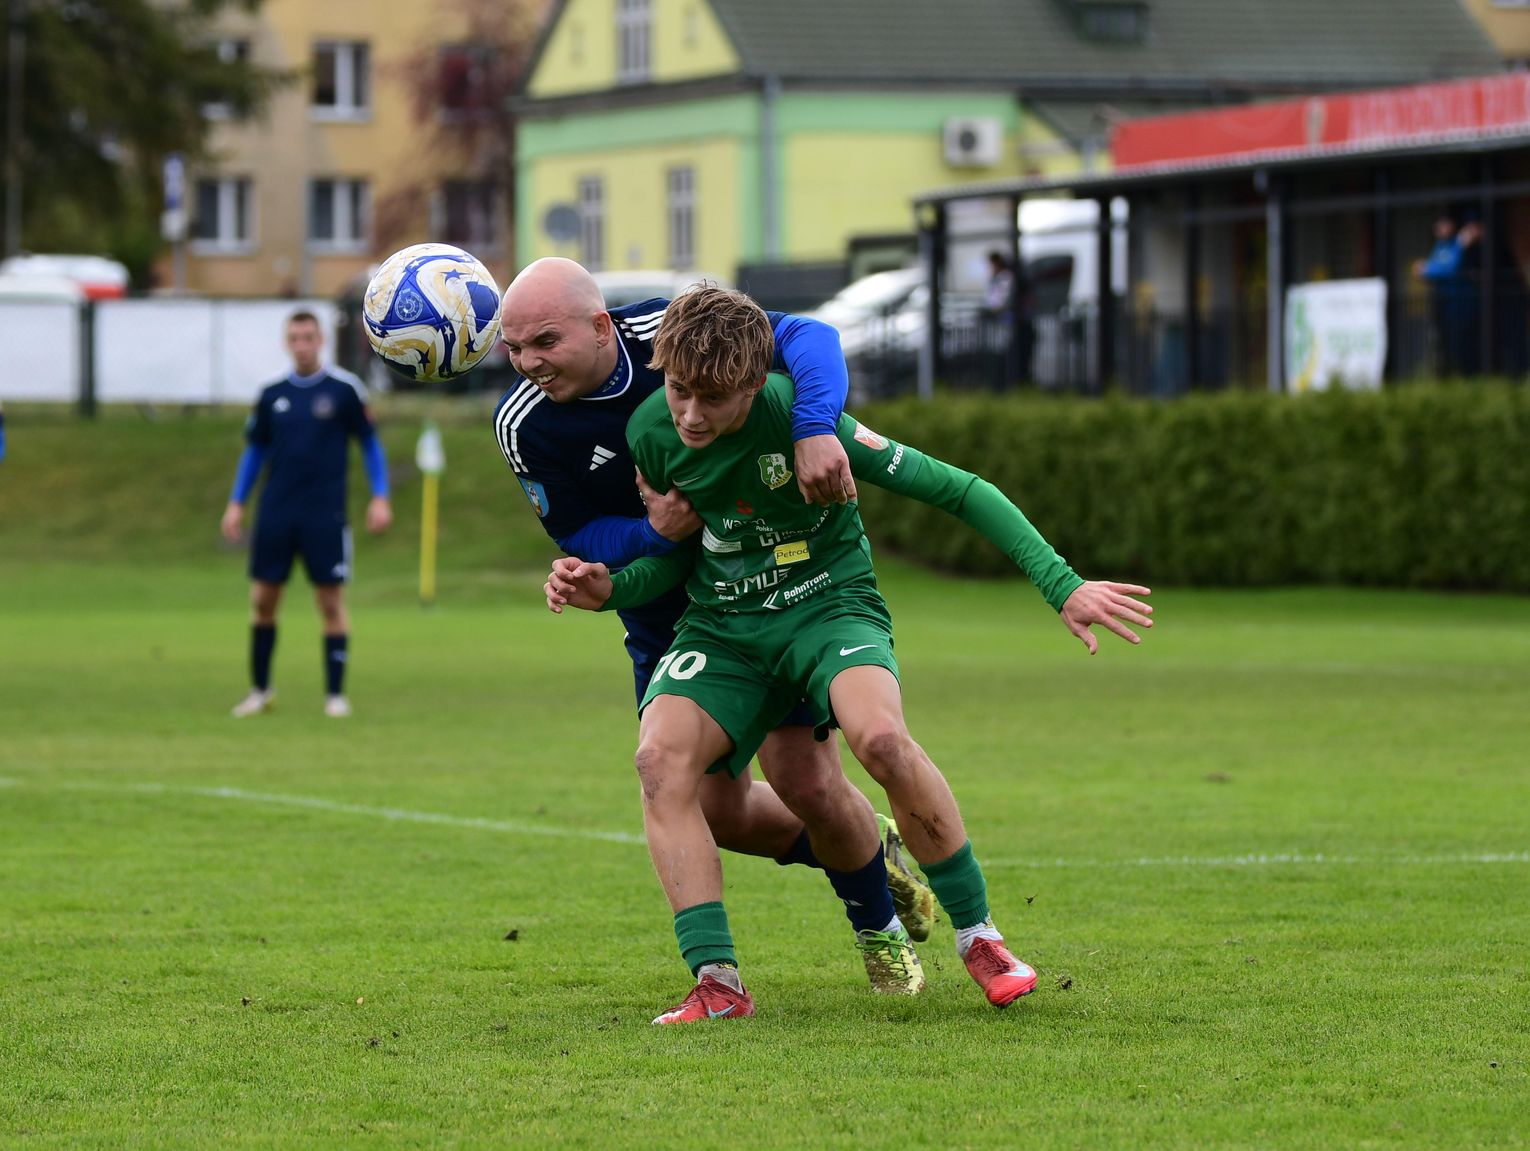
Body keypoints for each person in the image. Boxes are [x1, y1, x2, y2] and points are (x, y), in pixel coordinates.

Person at [545, 285, 1153, 1024]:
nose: (692, 415)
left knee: (882, 742)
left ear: (755, 382)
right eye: (679, 391)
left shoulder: (805, 418)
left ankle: (981, 939)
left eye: (714, 399)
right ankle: (718, 983)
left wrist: (1062, 585)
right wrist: (610, 588)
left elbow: (961, 490)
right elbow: (678, 555)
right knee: (657, 762)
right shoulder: (651, 431)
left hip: (828, 605)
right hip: (725, 627)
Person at [495, 259, 936, 997]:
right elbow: (576, 531)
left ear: (600, 326)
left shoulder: (666, 329)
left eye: (544, 342)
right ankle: (869, 853)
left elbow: (810, 337)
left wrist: (812, 428)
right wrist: (652, 531)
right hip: (663, 610)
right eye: (512, 348)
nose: (527, 363)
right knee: (718, 811)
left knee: (805, 780)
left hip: (766, 590)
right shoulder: (522, 423)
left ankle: (873, 922)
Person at [221, 310, 393, 718]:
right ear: (287, 343)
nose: (301, 345)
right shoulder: (271, 394)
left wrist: (380, 496)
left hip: (325, 515)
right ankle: (260, 691)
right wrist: (236, 502)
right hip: (276, 513)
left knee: (331, 603)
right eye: (295, 338)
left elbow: (369, 444)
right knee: (263, 601)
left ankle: (335, 695)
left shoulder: (344, 390)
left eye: (308, 337)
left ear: (321, 341)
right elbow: (255, 451)